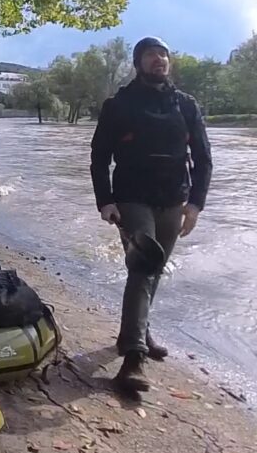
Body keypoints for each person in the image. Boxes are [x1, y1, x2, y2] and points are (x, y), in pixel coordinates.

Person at [90, 36, 213, 396]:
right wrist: (105, 201)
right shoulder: (119, 105)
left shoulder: (186, 106)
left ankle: (136, 331)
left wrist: (196, 205)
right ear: (138, 63)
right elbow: (99, 157)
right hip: (131, 198)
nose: (159, 59)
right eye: (150, 55)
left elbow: (204, 159)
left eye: (163, 54)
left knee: (155, 269)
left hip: (174, 200)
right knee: (143, 265)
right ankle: (133, 358)